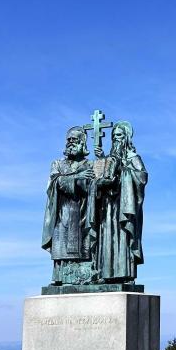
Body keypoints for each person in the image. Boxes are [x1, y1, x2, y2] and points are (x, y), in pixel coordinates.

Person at [92, 121, 147, 282]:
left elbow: (142, 177)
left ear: (127, 138)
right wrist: (103, 163)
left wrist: (122, 172)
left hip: (124, 205)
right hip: (108, 206)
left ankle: (125, 274)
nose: (116, 139)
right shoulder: (110, 158)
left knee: (123, 236)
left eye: (120, 136)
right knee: (107, 236)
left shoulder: (133, 157)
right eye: (114, 136)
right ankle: (105, 273)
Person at [41, 127, 95, 284]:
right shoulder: (57, 164)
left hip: (83, 211)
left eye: (75, 140)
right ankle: (60, 277)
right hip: (62, 212)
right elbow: (56, 182)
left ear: (82, 143)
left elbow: (91, 185)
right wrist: (77, 177)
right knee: (62, 245)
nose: (71, 143)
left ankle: (84, 277)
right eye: (69, 140)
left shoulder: (89, 165)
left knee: (84, 246)